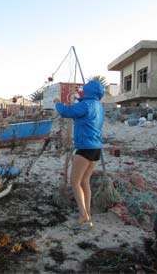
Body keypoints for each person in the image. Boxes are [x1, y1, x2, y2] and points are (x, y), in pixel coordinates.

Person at [54, 80, 105, 227]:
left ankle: (83, 216)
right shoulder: (98, 106)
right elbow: (81, 112)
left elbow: (65, 112)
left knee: (75, 182)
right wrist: (78, 101)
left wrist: (58, 102)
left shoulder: (85, 105)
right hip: (96, 148)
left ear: (88, 91)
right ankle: (87, 213)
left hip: (84, 148)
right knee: (85, 182)